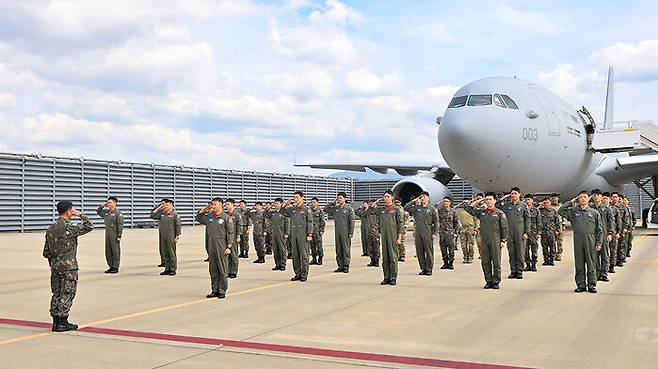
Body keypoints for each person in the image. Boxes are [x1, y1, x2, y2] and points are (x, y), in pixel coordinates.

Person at [43, 201, 94, 332]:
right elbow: (89, 226)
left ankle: (55, 322)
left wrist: (53, 264)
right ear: (68, 211)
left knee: (56, 294)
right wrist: (80, 214)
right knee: (67, 293)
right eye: (71, 210)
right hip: (68, 268)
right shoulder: (69, 228)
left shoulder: (50, 229)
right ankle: (63, 322)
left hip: (55, 268)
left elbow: (46, 252)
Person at [558, 191, 603, 293]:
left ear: (588, 199)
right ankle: (581, 284)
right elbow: (560, 211)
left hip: (591, 240)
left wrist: (599, 243)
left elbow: (599, 230)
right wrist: (570, 202)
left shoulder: (594, 213)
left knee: (591, 263)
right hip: (578, 240)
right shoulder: (573, 211)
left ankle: (592, 285)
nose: (583, 199)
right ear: (578, 199)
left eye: (585, 197)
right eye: (581, 197)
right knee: (579, 263)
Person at [465, 193, 508, 289]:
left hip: (495, 240)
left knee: (496, 262)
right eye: (486, 199)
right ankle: (488, 281)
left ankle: (496, 281)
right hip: (484, 240)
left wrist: (503, 240)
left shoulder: (499, 213)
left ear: (494, 200)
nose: (488, 201)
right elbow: (468, 208)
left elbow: (504, 227)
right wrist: (479, 200)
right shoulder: (482, 213)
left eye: (490, 199)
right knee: (485, 262)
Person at [195, 198, 235, 299]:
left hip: (222, 245)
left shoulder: (226, 218)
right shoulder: (209, 217)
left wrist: (229, 247)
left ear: (221, 205)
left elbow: (230, 233)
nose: (213, 206)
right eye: (212, 204)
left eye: (215, 204)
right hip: (211, 245)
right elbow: (198, 218)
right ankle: (214, 290)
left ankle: (222, 290)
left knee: (222, 268)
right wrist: (205, 209)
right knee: (213, 269)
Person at [370, 191, 404, 286]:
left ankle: (393, 277)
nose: (386, 198)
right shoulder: (382, 210)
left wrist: (399, 237)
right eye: (384, 196)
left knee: (393, 257)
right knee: (385, 258)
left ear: (392, 197)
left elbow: (400, 223)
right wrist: (375, 203)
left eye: (388, 196)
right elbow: (369, 212)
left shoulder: (396, 209)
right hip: (384, 236)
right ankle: (386, 277)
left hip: (393, 236)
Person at [404, 191, 439, 275]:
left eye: (424, 197)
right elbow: (406, 207)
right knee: (419, 251)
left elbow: (436, 222)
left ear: (428, 198)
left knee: (429, 251)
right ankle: (423, 268)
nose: (422, 198)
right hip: (418, 232)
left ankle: (429, 269)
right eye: (421, 197)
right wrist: (414, 200)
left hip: (428, 231)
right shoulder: (416, 208)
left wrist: (435, 233)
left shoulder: (432, 209)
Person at [497, 187, 529, 279]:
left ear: (519, 194)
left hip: (520, 231)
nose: (513, 195)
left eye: (515, 193)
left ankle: (519, 271)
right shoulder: (507, 205)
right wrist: (504, 197)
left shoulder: (523, 205)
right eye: (512, 193)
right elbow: (497, 204)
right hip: (509, 231)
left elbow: (527, 219)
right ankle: (513, 271)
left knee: (520, 252)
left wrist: (526, 232)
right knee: (511, 252)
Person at [284, 191, 313, 282]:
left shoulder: (306, 209)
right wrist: (286, 204)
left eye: (297, 197)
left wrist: (309, 234)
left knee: (304, 255)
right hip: (294, 233)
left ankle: (304, 274)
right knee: (295, 255)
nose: (296, 199)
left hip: (303, 233)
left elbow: (310, 222)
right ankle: (298, 273)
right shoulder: (293, 209)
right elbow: (281, 211)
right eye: (294, 198)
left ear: (302, 198)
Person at [324, 192, 356, 273]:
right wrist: (333, 202)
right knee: (338, 249)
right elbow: (325, 209)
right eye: (338, 198)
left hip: (346, 232)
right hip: (337, 232)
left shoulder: (349, 209)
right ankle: (340, 266)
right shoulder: (336, 208)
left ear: (345, 199)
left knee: (346, 249)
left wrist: (351, 232)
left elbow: (352, 221)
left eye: (341, 198)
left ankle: (346, 266)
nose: (339, 199)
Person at [150, 199, 181, 276]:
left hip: (171, 236)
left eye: (167, 205)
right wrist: (160, 206)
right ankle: (167, 268)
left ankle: (173, 269)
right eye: (165, 205)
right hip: (162, 236)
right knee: (164, 253)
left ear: (172, 206)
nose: (166, 206)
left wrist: (177, 236)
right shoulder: (162, 214)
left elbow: (178, 225)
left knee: (171, 253)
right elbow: (152, 215)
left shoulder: (175, 215)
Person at [590, 190, 614, 282]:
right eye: (594, 195)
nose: (596, 197)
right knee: (594, 256)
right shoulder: (590, 208)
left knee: (605, 255)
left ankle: (604, 274)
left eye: (598, 195)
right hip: (592, 235)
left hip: (604, 235)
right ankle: (596, 273)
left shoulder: (607, 209)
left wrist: (610, 233)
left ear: (601, 197)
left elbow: (611, 222)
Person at [96, 196, 123, 274]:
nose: (108, 204)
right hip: (107, 234)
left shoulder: (118, 213)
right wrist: (102, 206)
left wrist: (119, 235)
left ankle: (115, 267)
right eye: (107, 202)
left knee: (115, 251)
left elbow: (120, 225)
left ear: (115, 203)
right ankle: (111, 266)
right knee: (108, 251)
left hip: (114, 234)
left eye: (110, 202)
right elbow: (98, 212)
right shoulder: (106, 213)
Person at [436, 196, 461, 270]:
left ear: (450, 203)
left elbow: (456, 223)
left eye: (446, 201)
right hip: (442, 233)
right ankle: (445, 263)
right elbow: (433, 211)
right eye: (444, 201)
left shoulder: (453, 211)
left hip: (450, 234)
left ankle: (451, 263)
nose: (445, 203)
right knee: (443, 249)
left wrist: (456, 232)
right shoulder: (440, 211)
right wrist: (437, 204)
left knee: (451, 250)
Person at [267, 198, 290, 271]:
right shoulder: (273, 213)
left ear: (281, 204)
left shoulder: (284, 212)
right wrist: (268, 208)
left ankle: (283, 264)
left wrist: (286, 233)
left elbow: (287, 223)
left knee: (282, 249)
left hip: (281, 233)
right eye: (275, 203)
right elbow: (264, 215)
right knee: (275, 250)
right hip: (274, 233)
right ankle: (277, 264)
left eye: (277, 203)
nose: (275, 205)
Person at [456, 197, 478, 263]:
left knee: (471, 244)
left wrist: (476, 229)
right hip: (463, 228)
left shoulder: (472, 210)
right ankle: (465, 257)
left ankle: (470, 257)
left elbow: (476, 220)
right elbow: (453, 209)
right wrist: (460, 204)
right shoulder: (459, 210)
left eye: (466, 202)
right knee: (463, 244)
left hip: (470, 227)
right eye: (464, 203)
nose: (465, 204)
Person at [538, 197, 560, 266]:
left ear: (550, 203)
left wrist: (557, 230)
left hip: (551, 232)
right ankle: (546, 260)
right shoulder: (539, 211)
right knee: (544, 247)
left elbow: (557, 221)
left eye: (547, 202)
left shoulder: (553, 211)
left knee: (552, 247)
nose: (546, 204)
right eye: (544, 203)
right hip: (543, 232)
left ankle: (552, 260)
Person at [523, 194, 541, 272]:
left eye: (529, 199)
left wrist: (538, 233)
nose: (527, 201)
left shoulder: (536, 210)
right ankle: (527, 265)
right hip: (524, 233)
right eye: (526, 199)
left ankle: (534, 265)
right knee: (525, 250)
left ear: (532, 201)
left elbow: (539, 222)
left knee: (534, 250)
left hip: (533, 233)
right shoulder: (522, 210)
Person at [225, 199, 242, 278]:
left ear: (232, 205)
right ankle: (228, 271)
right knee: (227, 255)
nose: (226, 206)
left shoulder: (237, 214)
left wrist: (238, 235)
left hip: (234, 237)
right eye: (226, 204)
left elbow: (239, 225)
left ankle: (234, 271)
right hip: (227, 237)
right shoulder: (225, 214)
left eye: (228, 204)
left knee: (234, 255)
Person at [309, 197, 325, 265]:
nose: (312, 203)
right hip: (311, 231)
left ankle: (320, 258)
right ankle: (314, 259)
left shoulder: (319, 211)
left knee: (319, 245)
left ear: (317, 203)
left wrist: (322, 230)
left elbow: (322, 221)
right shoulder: (309, 211)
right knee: (312, 246)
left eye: (314, 202)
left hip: (317, 231)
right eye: (312, 202)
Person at [365, 199, 381, 267]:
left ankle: (377, 261)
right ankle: (372, 260)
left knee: (376, 247)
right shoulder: (368, 211)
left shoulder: (378, 211)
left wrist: (380, 231)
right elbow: (362, 214)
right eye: (370, 203)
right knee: (370, 248)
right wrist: (364, 207)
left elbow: (381, 222)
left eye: (372, 203)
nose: (371, 204)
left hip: (376, 232)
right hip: (369, 232)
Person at [550, 194, 565, 261]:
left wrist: (564, 225)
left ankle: (559, 255)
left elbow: (563, 216)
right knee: (552, 242)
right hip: (551, 226)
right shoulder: (549, 207)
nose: (554, 200)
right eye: (553, 199)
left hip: (560, 226)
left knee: (559, 242)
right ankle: (552, 255)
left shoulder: (561, 207)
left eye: (555, 199)